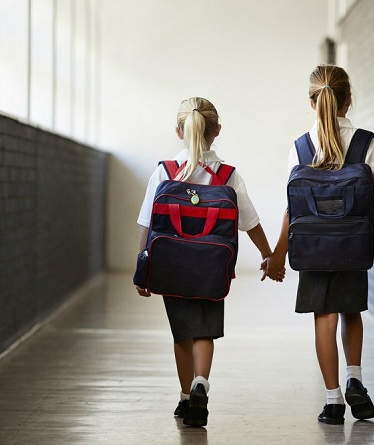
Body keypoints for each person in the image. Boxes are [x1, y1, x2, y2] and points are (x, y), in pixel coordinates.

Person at [265, 65, 374, 424]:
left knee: (324, 319)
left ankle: (333, 402)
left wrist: (278, 254)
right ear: (349, 100)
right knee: (350, 311)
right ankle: (354, 378)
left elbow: (292, 209)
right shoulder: (364, 142)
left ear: (311, 102)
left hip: (312, 249)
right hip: (352, 246)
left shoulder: (299, 147)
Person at [135, 97, 276, 427]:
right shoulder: (227, 175)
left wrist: (142, 267)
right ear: (217, 130)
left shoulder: (164, 172)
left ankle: (186, 397)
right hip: (212, 268)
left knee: (181, 334)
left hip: (170, 265)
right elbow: (251, 222)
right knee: (204, 331)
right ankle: (201, 384)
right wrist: (268, 254)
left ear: (179, 131)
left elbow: (146, 223)